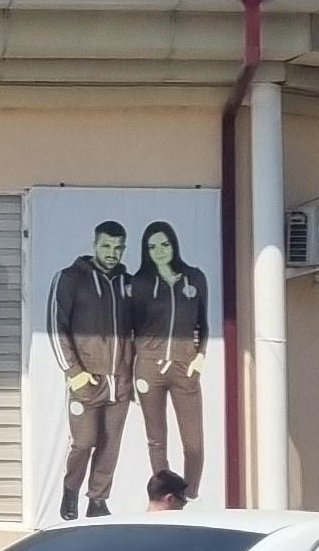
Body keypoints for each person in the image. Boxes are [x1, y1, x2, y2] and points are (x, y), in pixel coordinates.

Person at [49, 221, 135, 519]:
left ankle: (97, 499)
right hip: (86, 380)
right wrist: (74, 372)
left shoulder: (127, 283)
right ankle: (70, 490)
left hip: (119, 382)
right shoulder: (70, 279)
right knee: (84, 442)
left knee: (110, 445)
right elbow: (56, 327)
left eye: (118, 247)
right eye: (106, 246)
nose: (112, 253)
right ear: (94, 245)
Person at [126, 219, 212, 509]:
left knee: (193, 443)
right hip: (148, 367)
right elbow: (129, 330)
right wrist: (131, 373)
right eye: (152, 247)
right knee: (157, 440)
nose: (159, 251)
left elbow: (203, 322)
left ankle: (190, 495)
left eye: (164, 244)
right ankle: (163, 498)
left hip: (184, 366)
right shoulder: (139, 284)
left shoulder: (195, 278)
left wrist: (199, 356)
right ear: (146, 251)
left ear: (173, 245)